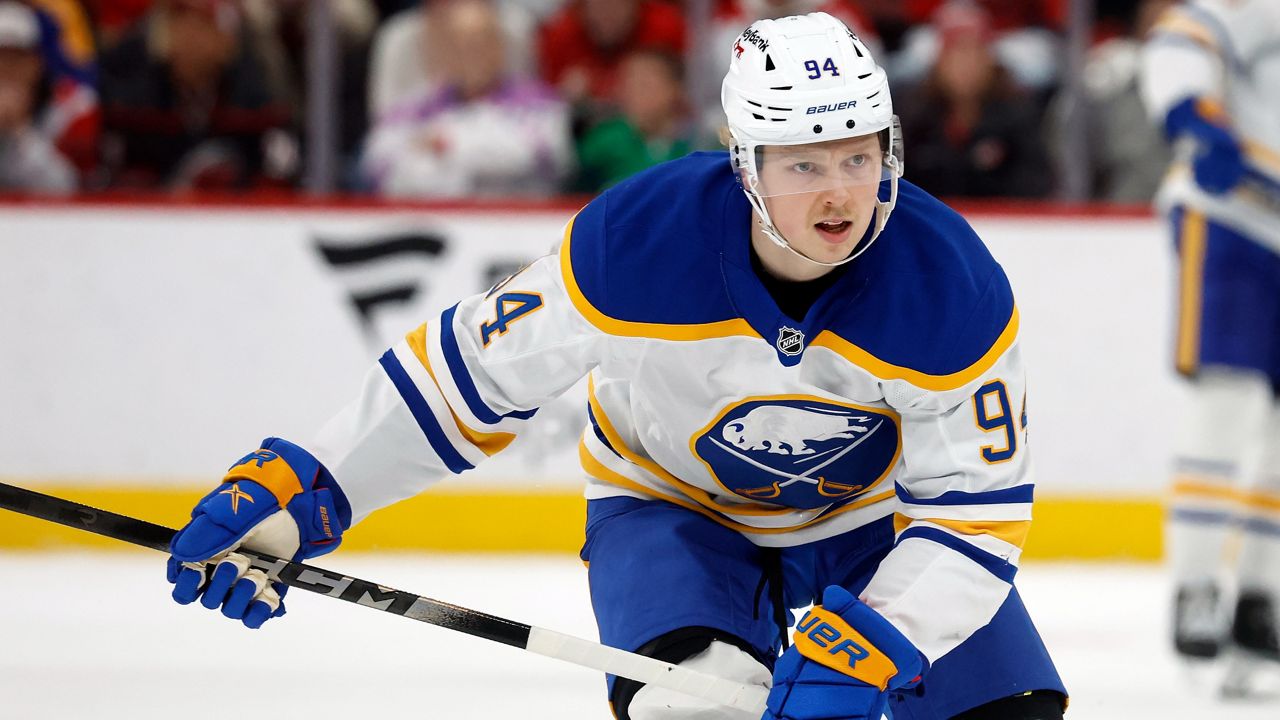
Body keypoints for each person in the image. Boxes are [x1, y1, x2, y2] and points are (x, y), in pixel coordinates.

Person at [166, 12, 1067, 719]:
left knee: (1007, 709)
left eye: (858, 157)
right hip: (670, 506)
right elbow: (468, 378)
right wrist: (317, 485)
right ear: (746, 164)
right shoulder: (634, 243)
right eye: (803, 163)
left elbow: (976, 515)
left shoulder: (952, 285)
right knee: (696, 705)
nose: (839, 192)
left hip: (869, 520)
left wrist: (883, 637)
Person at [1139, 0, 1280, 680]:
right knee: (1229, 400)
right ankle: (1196, 588)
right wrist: (1193, 112)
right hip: (1234, 217)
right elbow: (1185, 37)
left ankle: (1262, 596)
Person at [359, 0, 571, 197]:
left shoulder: (539, 103)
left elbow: (544, 157)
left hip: (520, 224)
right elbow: (378, 163)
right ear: (444, 54)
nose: (471, 56)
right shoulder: (416, 107)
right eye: (460, 46)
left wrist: (447, 145)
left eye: (481, 43)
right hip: (437, 218)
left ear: (499, 48)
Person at [0, 0, 76, 193]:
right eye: (0, 57)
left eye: (16, 58)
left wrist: (18, 132)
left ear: (36, 63)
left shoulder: (67, 111)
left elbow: (64, 187)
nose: (6, 68)